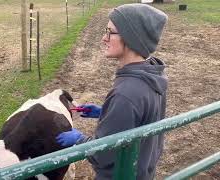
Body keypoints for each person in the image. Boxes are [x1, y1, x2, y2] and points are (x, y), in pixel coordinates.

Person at [56, 3, 168, 180]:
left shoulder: (126, 94)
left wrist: (79, 140)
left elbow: (103, 155)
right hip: (142, 170)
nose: (103, 38)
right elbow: (142, 117)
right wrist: (105, 112)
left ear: (131, 37)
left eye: (110, 32)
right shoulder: (152, 73)